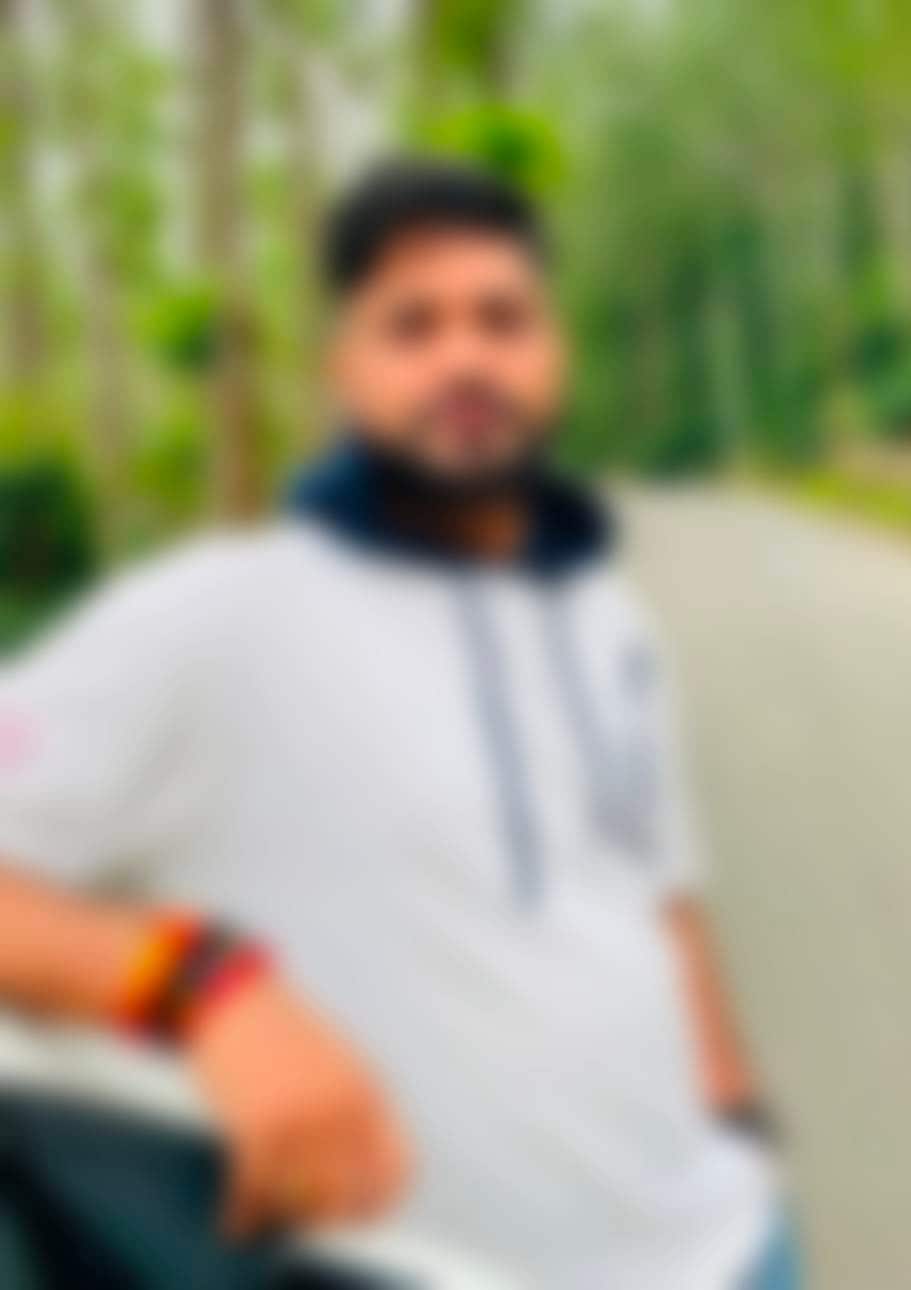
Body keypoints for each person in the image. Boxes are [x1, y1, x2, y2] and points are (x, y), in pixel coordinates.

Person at [0, 160, 799, 1290]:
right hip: (416, 1267)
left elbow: (659, 887)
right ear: (342, 370)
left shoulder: (608, 616)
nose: (464, 357)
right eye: (411, 326)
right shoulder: (219, 617)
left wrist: (733, 1110)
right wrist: (199, 985)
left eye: (502, 319)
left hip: (732, 1249)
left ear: (556, 353)